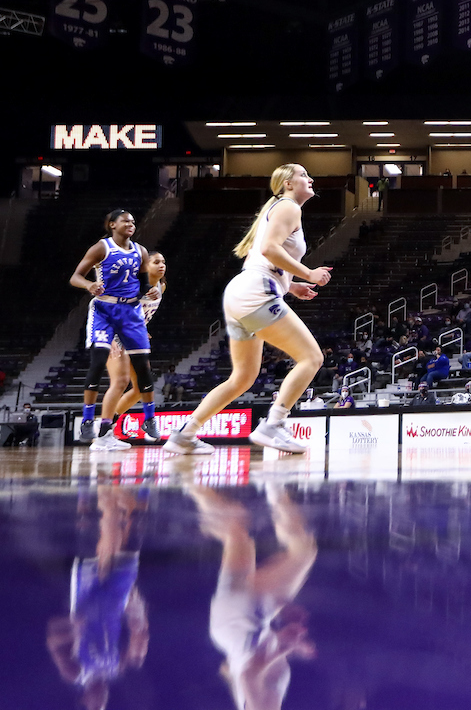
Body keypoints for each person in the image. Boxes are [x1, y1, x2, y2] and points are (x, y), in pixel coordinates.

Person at [166, 164, 332, 455]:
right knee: (311, 357)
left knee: (242, 378)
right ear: (288, 183)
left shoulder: (280, 207)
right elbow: (269, 249)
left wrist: (291, 286)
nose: (311, 178)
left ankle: (185, 434)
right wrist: (308, 273)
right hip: (255, 291)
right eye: (305, 174)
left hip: (242, 292)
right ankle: (274, 423)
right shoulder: (289, 207)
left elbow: (264, 257)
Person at [189, 485, 317, 710]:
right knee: (236, 530)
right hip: (230, 628)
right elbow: (230, 669)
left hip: (242, 624)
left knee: (304, 553)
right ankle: (189, 479)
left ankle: (274, 484)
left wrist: (287, 646)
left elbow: (248, 676)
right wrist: (279, 624)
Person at [46, 487, 150, 710]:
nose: (102, 703)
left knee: (95, 530)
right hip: (114, 598)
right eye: (104, 707)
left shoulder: (75, 673)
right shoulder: (115, 669)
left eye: (95, 708)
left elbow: (53, 640)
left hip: (87, 597)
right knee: (134, 540)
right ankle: (144, 486)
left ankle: (86, 489)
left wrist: (71, 627)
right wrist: (138, 622)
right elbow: (135, 640)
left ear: (84, 701)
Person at [69, 209, 162, 451]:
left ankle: (146, 420)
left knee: (142, 373)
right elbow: (75, 277)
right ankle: (91, 423)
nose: (131, 224)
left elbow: (141, 286)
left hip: (129, 314)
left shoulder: (141, 252)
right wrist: (90, 284)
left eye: (133, 221)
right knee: (107, 371)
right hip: (105, 310)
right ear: (112, 225)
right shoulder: (102, 248)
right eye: (125, 221)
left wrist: (147, 291)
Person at [101, 252, 168, 437]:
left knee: (141, 387)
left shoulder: (161, 286)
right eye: (156, 262)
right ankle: (101, 436)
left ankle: (107, 429)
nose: (162, 265)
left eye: (163, 262)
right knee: (120, 382)